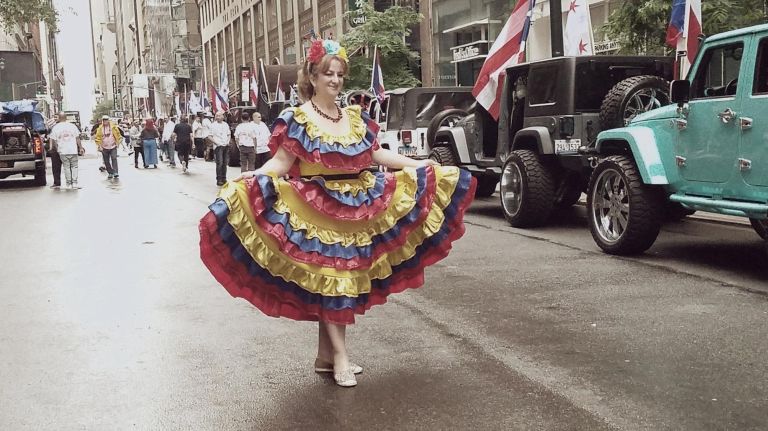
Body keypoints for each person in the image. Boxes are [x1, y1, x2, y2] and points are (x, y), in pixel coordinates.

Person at [198, 39, 476, 387]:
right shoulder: (297, 118)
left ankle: (325, 356)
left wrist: (419, 164)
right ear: (312, 77)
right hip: (316, 208)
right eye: (328, 73)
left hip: (357, 205)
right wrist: (253, 176)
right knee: (333, 281)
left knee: (338, 280)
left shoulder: (353, 118)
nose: (335, 80)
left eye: (340, 74)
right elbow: (282, 163)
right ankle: (341, 357)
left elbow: (376, 156)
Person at [49, 112, 84, 189]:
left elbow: (53, 140)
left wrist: (56, 148)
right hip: (73, 150)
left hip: (63, 151)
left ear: (59, 118)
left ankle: (68, 184)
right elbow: (77, 138)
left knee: (67, 167)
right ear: (66, 118)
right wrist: (80, 148)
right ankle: (74, 183)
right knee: (74, 167)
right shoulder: (72, 126)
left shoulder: (55, 127)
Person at [94, 115, 123, 179]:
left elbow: (118, 135)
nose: (105, 121)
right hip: (104, 147)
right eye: (104, 120)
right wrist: (99, 145)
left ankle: (115, 172)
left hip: (113, 146)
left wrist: (119, 140)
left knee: (114, 158)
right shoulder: (100, 128)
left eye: (106, 120)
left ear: (108, 120)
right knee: (106, 161)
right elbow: (97, 138)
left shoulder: (113, 127)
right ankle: (110, 172)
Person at [209, 112, 231, 186]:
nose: (218, 117)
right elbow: (209, 136)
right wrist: (216, 142)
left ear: (223, 116)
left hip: (225, 145)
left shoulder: (225, 125)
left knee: (225, 163)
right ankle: (219, 179)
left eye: (219, 115)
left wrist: (228, 141)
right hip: (218, 146)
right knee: (220, 163)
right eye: (217, 116)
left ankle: (224, 178)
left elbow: (229, 134)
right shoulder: (213, 125)